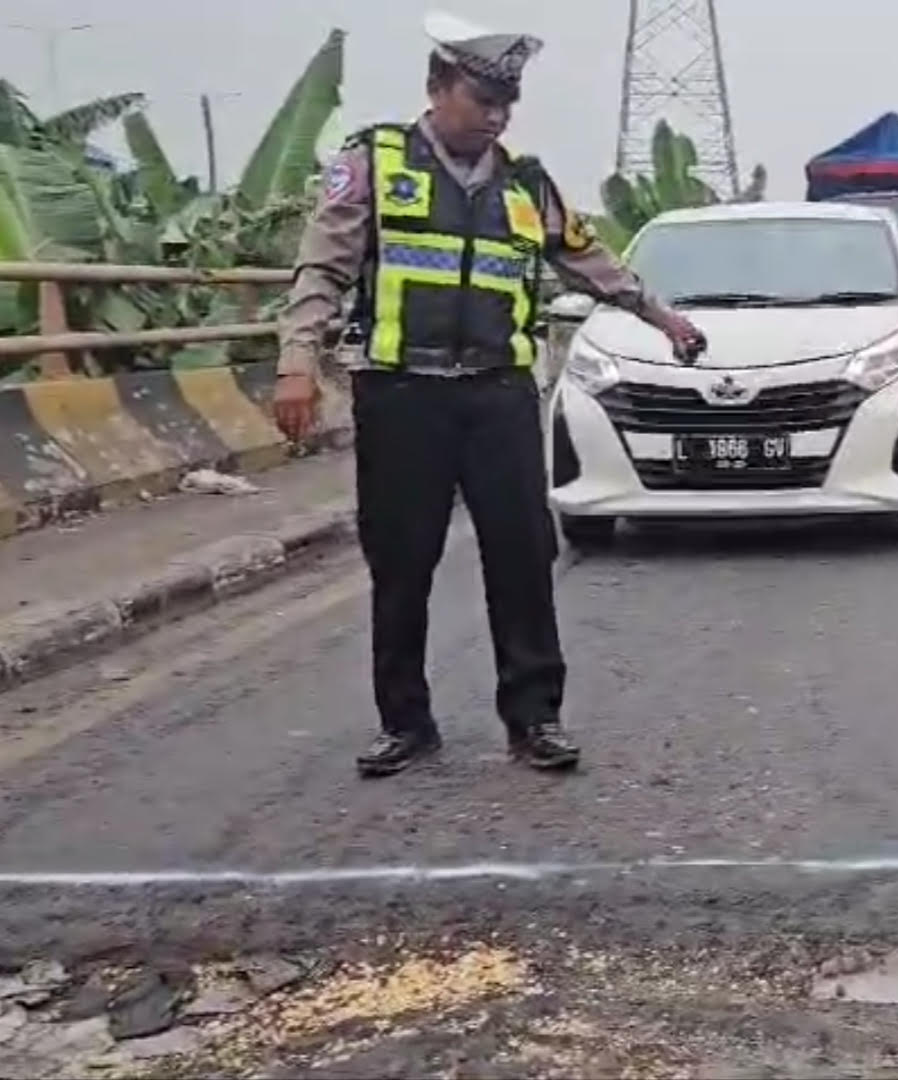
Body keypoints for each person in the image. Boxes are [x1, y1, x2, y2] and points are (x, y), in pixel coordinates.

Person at [271, 10, 706, 778]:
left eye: (506, 102)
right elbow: (324, 268)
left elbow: (588, 261)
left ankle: (534, 717)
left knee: (523, 554)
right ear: (438, 89)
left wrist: (661, 317)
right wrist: (296, 361)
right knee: (401, 561)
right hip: (402, 395)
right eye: (482, 99)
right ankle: (404, 722)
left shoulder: (526, 183)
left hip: (499, 396)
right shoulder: (374, 160)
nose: (497, 114)